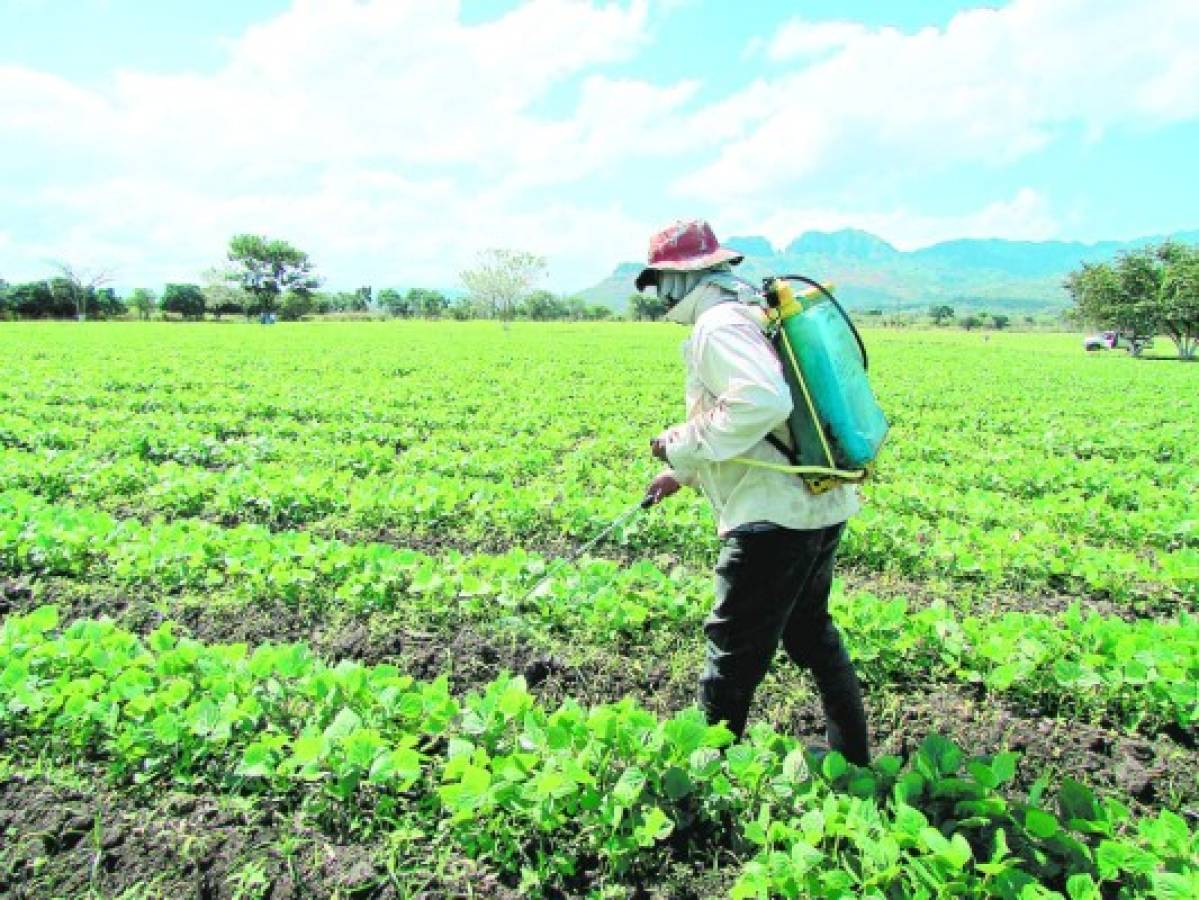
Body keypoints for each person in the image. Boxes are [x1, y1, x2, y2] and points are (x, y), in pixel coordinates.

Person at [636, 219, 870, 766]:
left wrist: (677, 442)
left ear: (679, 279)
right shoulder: (752, 313)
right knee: (811, 633)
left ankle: (707, 776)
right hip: (816, 502)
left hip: (772, 519)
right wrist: (684, 472)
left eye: (660, 283)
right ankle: (853, 758)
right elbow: (761, 426)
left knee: (731, 654)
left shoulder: (717, 325)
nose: (659, 297)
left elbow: (761, 404)